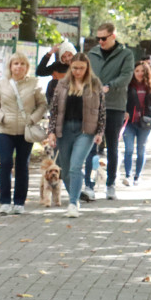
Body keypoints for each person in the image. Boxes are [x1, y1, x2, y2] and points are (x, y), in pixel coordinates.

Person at [46, 54, 106, 218]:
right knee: (64, 171)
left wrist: (100, 132)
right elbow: (55, 110)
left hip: (85, 130)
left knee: (75, 166)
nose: (77, 71)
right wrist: (51, 132)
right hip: (64, 130)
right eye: (74, 68)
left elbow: (101, 111)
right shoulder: (63, 84)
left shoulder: (94, 84)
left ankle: (73, 203)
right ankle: (76, 193)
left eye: (81, 68)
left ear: (87, 68)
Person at [0, 52, 48, 214]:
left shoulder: (34, 84)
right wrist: (0, 116)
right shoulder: (2, 84)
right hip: (5, 130)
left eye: (22, 64)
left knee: (22, 165)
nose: (19, 67)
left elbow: (42, 105)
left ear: (27, 67)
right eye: (16, 64)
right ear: (10, 66)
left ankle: (19, 202)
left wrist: (33, 119)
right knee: (6, 163)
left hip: (25, 132)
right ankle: (5, 202)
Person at [84, 22, 134, 200]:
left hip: (114, 105)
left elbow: (126, 75)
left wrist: (109, 86)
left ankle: (110, 184)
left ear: (113, 36)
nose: (100, 41)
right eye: (98, 38)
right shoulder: (93, 54)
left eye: (104, 38)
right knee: (91, 146)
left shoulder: (126, 54)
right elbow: (86, 75)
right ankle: (88, 186)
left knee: (112, 146)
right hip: (93, 105)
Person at [123, 60, 151, 186]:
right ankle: (128, 175)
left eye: (142, 71)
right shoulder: (128, 86)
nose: (139, 73)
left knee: (141, 150)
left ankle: (137, 176)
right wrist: (124, 111)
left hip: (145, 123)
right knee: (129, 149)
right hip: (130, 122)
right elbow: (122, 100)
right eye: (137, 71)